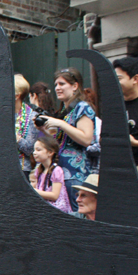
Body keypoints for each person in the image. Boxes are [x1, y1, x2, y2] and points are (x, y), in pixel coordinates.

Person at [36, 68, 95, 211]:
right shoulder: (67, 111)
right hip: (62, 172)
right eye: (56, 84)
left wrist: (61, 124)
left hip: (76, 173)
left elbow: (86, 139)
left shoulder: (82, 107)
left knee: (76, 214)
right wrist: (44, 130)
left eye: (62, 84)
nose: (57, 88)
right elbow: (63, 144)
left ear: (75, 86)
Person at [31, 134, 71, 213]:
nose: (34, 153)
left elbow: (55, 196)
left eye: (38, 150)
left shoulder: (56, 170)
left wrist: (34, 191)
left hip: (56, 210)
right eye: (34, 150)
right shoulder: (38, 170)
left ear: (50, 152)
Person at [14, 74, 38, 179]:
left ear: (16, 95)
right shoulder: (3, 114)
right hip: (2, 167)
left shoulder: (32, 116)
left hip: (22, 169)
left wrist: (17, 139)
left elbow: (30, 149)